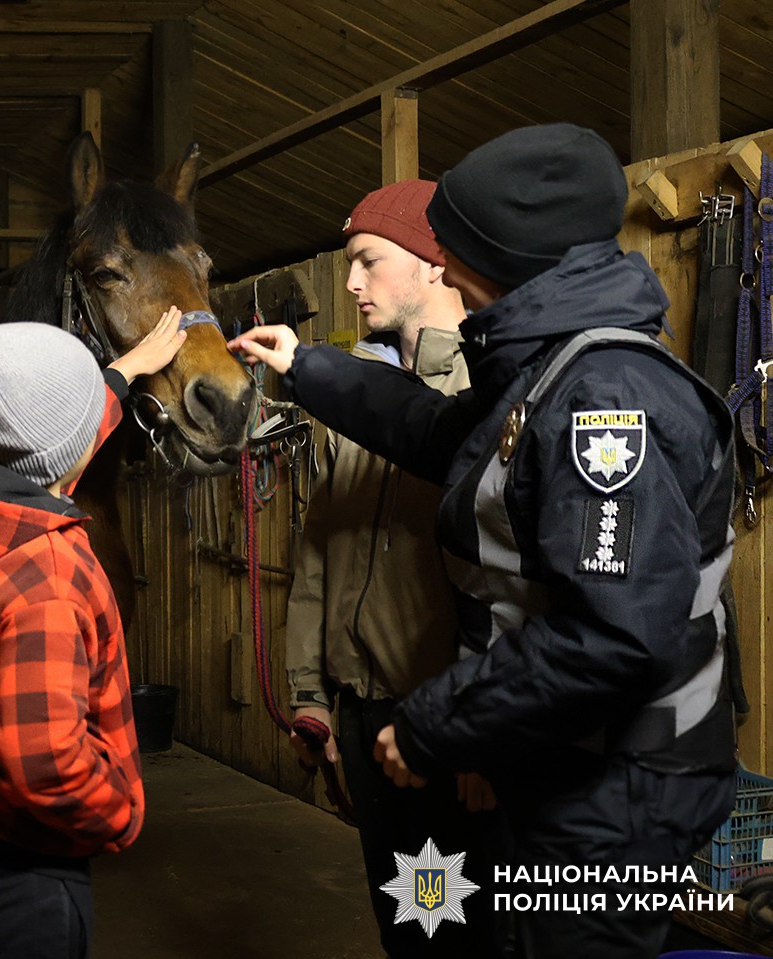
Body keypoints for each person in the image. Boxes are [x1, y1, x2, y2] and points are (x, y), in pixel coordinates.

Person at [231, 123, 737, 959]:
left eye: (451, 245)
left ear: (493, 257)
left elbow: (613, 632)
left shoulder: (603, 398)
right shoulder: (548, 368)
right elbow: (436, 430)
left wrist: (438, 722)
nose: (440, 260)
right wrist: (311, 367)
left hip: (622, 778)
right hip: (569, 758)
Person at [0, 311, 187, 959]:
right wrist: (121, 809)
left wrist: (121, 373)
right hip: (16, 879)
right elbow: (44, 767)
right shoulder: (49, 578)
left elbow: (50, 438)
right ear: (77, 446)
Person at [286, 178, 500, 958]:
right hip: (364, 719)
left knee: (454, 931)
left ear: (435, 265)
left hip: (443, 727)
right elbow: (318, 553)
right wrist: (313, 699)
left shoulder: (486, 401)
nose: (350, 283)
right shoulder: (359, 401)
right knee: (408, 926)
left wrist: (481, 731)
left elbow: (511, 585)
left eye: (368, 260)